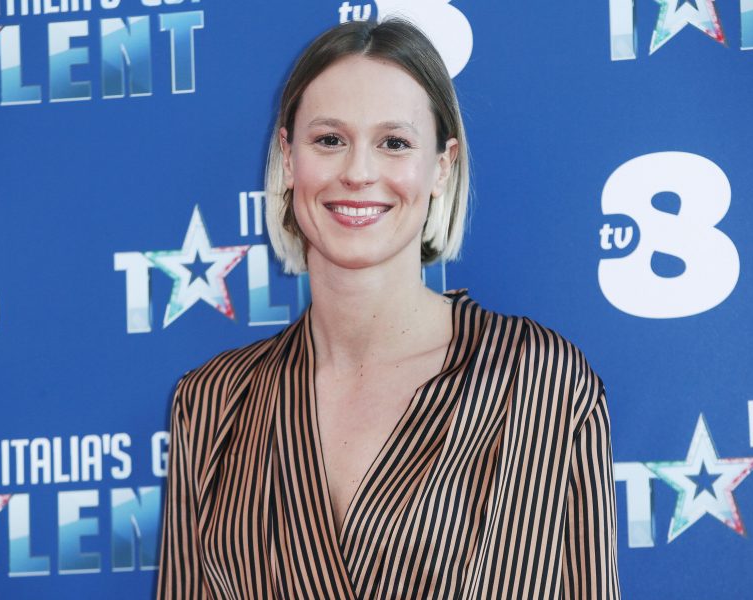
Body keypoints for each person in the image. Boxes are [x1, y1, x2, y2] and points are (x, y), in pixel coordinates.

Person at [157, 18, 619, 600]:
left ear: (442, 166)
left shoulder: (542, 381)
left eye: (394, 143)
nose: (357, 172)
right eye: (330, 140)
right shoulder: (212, 402)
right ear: (289, 157)